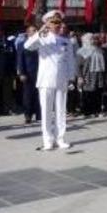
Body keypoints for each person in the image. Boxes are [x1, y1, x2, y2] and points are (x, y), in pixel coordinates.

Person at [24, 11, 76, 150]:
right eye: (53, 22)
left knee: (61, 111)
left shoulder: (66, 41)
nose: (57, 25)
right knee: (46, 112)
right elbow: (27, 46)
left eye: (59, 22)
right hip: (46, 80)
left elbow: (70, 61)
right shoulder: (42, 38)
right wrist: (40, 31)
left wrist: (71, 78)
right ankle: (47, 140)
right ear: (47, 23)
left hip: (62, 79)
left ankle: (60, 139)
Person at [77, 33, 106, 117]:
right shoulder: (82, 51)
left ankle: (97, 110)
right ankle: (87, 111)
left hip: (99, 73)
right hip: (88, 74)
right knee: (88, 93)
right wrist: (80, 76)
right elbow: (78, 66)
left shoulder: (99, 50)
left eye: (94, 39)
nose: (93, 40)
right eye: (91, 39)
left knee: (98, 92)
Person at [16, 25, 40, 124]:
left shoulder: (40, 43)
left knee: (39, 94)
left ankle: (39, 115)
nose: (34, 32)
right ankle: (28, 115)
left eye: (36, 30)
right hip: (28, 72)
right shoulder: (22, 44)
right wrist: (22, 73)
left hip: (40, 72)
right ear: (28, 33)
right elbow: (20, 59)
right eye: (32, 31)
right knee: (28, 94)